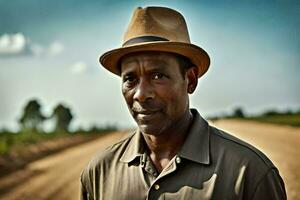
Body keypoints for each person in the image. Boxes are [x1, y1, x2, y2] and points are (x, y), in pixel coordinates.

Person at [80, 6, 286, 200]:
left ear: (191, 80)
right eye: (130, 79)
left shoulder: (249, 173)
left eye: (158, 75)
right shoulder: (99, 172)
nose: (141, 94)